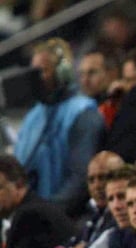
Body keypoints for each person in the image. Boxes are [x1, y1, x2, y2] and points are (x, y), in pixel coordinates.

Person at [13, 38, 105, 218]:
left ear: (63, 73)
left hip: (62, 218)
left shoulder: (83, 113)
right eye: (33, 71)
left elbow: (80, 179)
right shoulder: (34, 114)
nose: (35, 78)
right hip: (31, 215)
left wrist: (45, 214)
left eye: (42, 71)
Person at [50, 150, 124, 248]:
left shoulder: (120, 219)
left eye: (103, 178)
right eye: (91, 180)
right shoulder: (90, 217)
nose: (97, 186)